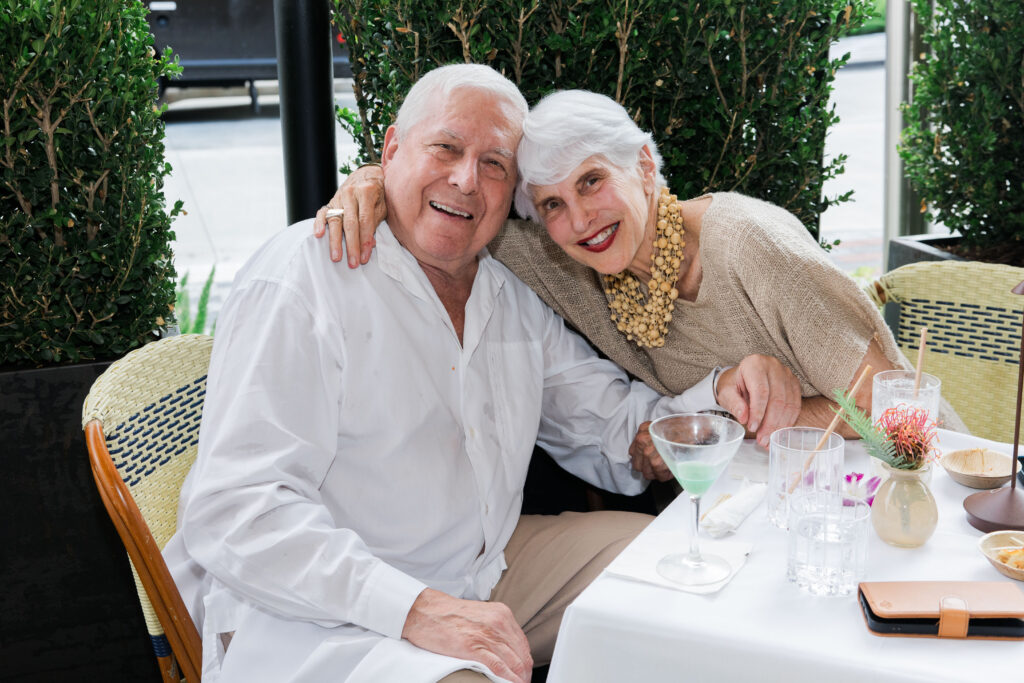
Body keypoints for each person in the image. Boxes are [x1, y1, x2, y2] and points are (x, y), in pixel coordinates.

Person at [163, 65, 802, 683]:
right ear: (389, 153)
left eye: (494, 165)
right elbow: (235, 511)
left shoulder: (508, 297)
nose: (467, 180)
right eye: (445, 148)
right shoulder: (308, 277)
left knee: (677, 567)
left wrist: (721, 393)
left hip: (481, 572)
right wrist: (416, 609)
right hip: (322, 619)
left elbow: (613, 431)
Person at [315, 91, 966, 474]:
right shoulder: (574, 259)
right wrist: (371, 179)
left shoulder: (746, 244)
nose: (580, 218)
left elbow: (905, 410)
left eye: (593, 181)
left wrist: (783, 418)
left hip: (905, 478)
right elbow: (453, 205)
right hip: (765, 491)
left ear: (645, 165)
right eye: (552, 203)